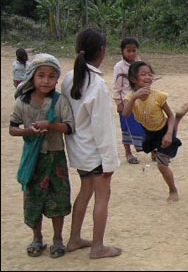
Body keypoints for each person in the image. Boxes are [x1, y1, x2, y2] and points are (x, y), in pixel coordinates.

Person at [62, 27, 122, 259]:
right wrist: (110, 162)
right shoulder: (97, 84)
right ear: (103, 52)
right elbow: (103, 129)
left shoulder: (69, 78)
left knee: (85, 192)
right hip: (94, 152)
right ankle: (98, 246)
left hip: (78, 150)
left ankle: (74, 238)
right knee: (102, 197)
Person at [9, 53, 74, 259]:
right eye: (41, 76)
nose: (46, 81)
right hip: (33, 161)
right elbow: (12, 128)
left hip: (56, 159)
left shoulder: (60, 101)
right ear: (32, 77)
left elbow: (69, 127)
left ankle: (57, 240)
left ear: (57, 79)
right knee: (33, 199)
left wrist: (51, 125)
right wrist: (28, 131)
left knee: (58, 199)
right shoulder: (22, 103)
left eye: (51, 76)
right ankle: (37, 239)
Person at [122, 61, 188, 202]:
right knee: (151, 150)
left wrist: (168, 133)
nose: (148, 77)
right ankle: (179, 120)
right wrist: (135, 97)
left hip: (163, 129)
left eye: (150, 74)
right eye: (143, 74)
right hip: (149, 132)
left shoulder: (158, 96)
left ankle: (173, 190)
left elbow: (169, 116)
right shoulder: (130, 97)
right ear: (133, 79)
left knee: (162, 164)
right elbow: (125, 113)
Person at [112, 37, 149, 164]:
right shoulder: (119, 67)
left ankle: (154, 150)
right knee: (126, 127)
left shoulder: (141, 64)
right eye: (128, 51)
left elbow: (146, 79)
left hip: (141, 101)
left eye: (134, 50)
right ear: (122, 51)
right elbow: (117, 87)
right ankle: (128, 153)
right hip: (127, 102)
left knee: (148, 125)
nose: (131, 53)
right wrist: (118, 103)